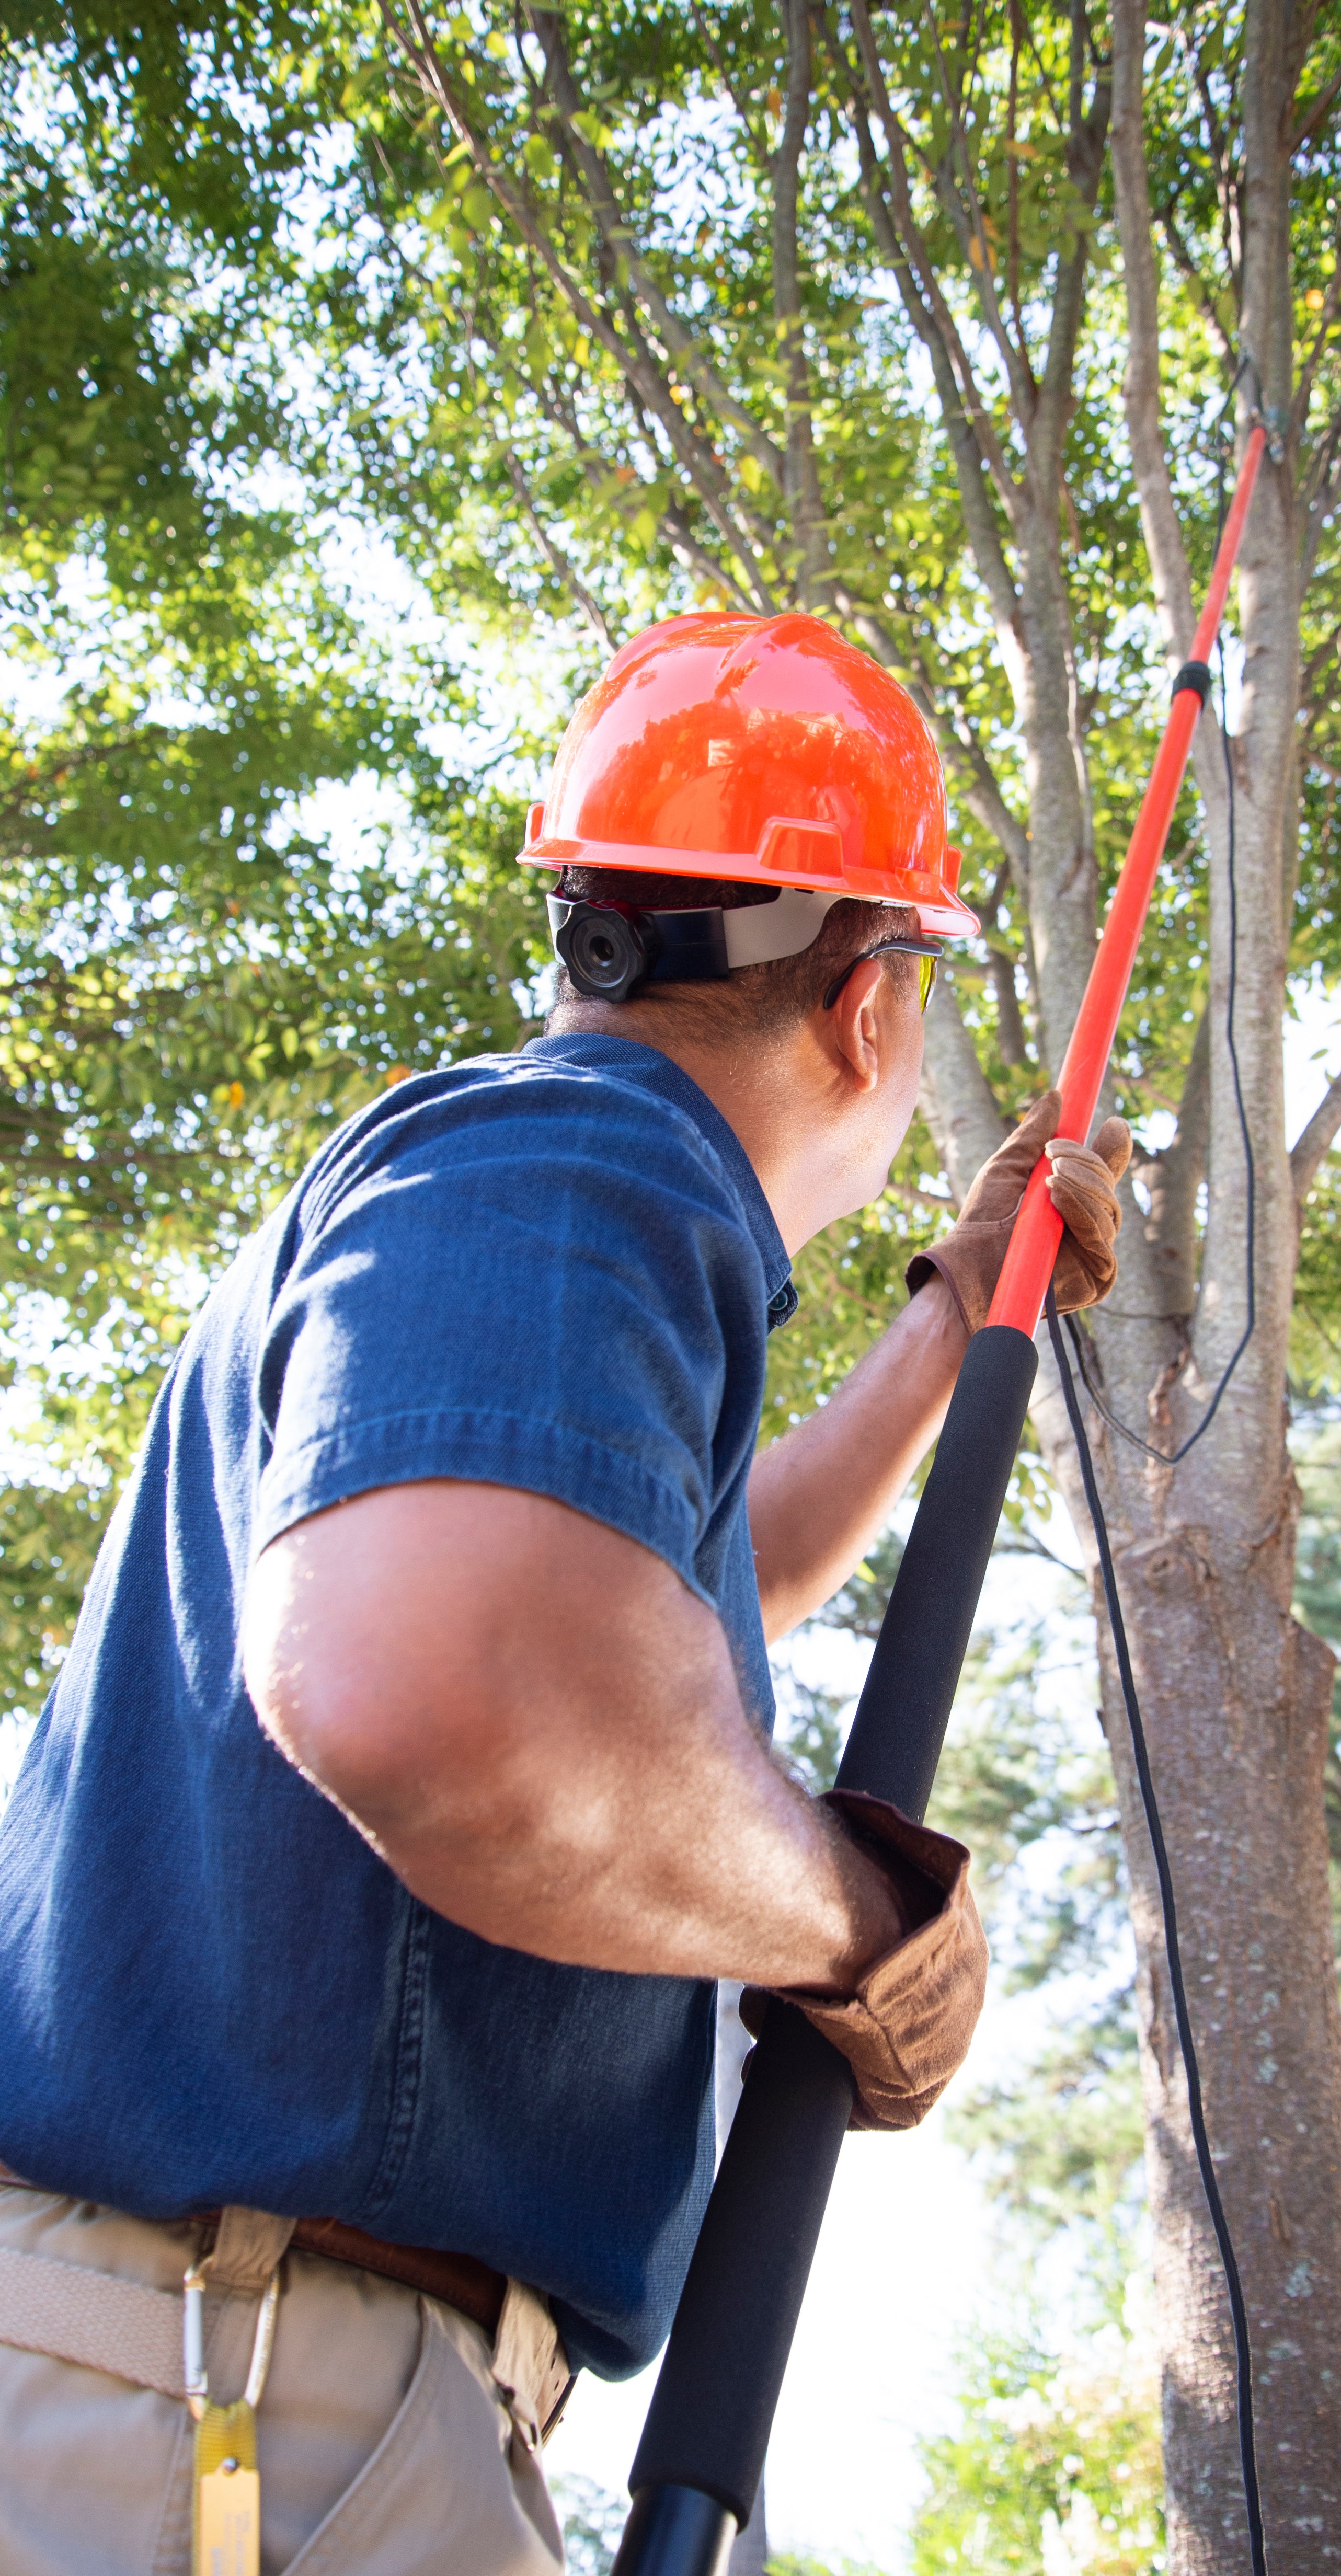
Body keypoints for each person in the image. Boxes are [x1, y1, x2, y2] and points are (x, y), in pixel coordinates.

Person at [0, 612, 1132, 2575]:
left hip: (228, 2400)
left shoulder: (517, 1195)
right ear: (871, 1012)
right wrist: (854, 1924)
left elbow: (692, 1600)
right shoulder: (593, 1152)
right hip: (242, 2415)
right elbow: (461, 1697)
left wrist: (956, 1313)